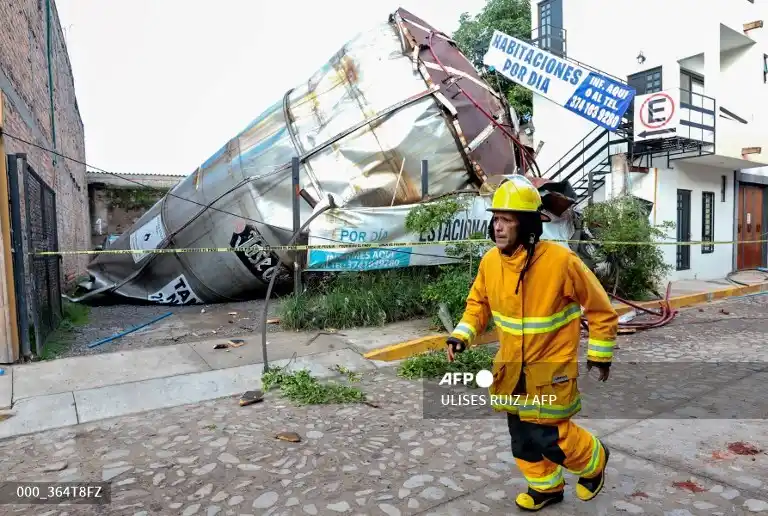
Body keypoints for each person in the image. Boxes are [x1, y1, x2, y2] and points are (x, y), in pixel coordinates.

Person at [446, 174, 618, 511]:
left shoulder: (561, 262)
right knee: (522, 438)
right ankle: (546, 488)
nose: (498, 227)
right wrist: (461, 335)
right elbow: (477, 305)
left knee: (549, 435)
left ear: (526, 225)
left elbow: (600, 309)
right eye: (496, 218)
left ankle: (595, 460)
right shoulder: (490, 263)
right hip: (511, 368)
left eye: (507, 220)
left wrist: (600, 354)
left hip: (550, 368)